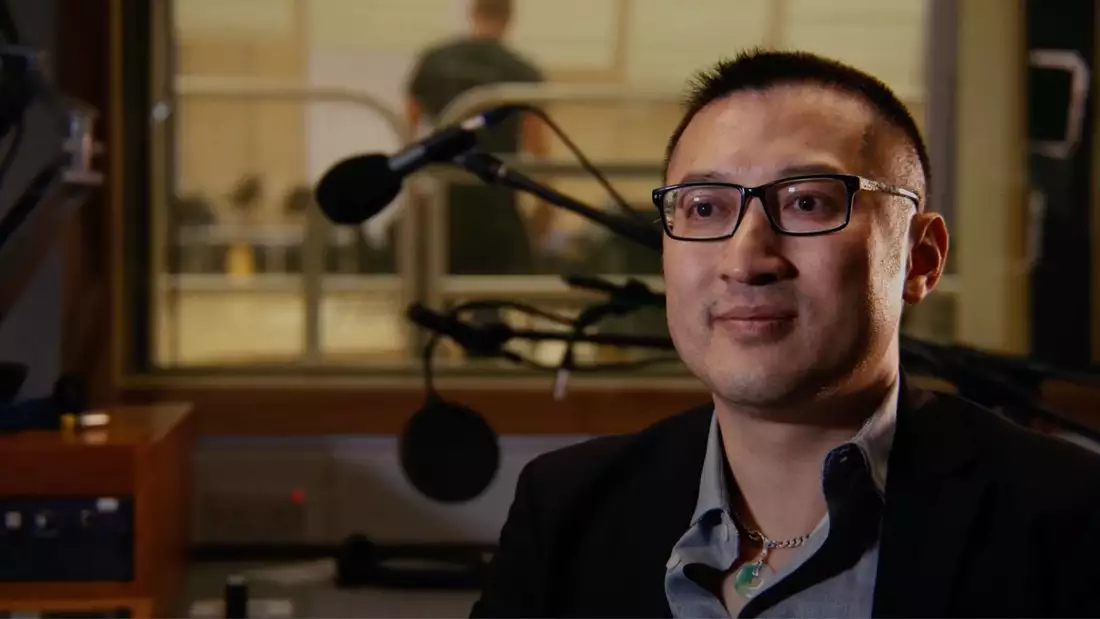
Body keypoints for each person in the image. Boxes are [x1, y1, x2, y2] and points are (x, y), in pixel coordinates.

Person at [470, 49, 1100, 618]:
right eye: (705, 207)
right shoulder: (567, 510)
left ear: (921, 258)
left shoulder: (1067, 519)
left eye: (806, 202)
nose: (745, 260)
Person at [406, 0, 551, 276]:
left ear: (472, 13)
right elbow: (538, 146)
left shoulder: (434, 60)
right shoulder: (523, 71)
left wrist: (411, 184)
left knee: (436, 290)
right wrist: (546, 204)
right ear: (509, 19)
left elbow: (408, 130)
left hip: (443, 195)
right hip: (495, 197)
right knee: (490, 291)